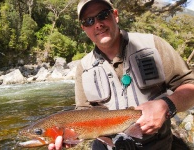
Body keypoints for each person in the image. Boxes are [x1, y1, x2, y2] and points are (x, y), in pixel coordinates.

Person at [48, 0, 194, 149]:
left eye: (103, 15)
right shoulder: (83, 68)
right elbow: (82, 114)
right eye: (89, 21)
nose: (97, 24)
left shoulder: (153, 45)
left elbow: (190, 86)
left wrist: (166, 105)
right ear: (83, 28)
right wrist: (72, 137)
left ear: (115, 15)